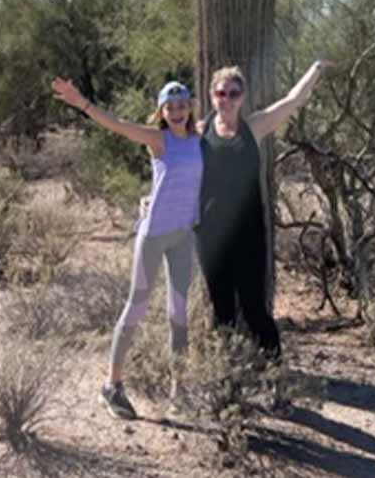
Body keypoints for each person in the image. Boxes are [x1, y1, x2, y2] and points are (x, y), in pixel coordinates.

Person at [50, 77, 201, 421]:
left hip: (182, 236)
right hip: (154, 235)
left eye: (182, 106)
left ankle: (182, 392)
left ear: (190, 107)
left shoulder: (199, 137)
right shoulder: (158, 139)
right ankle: (112, 386)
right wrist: (83, 103)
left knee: (179, 315)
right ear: (162, 111)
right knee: (137, 306)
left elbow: (230, 125)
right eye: (170, 106)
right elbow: (116, 125)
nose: (177, 112)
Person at [195, 60, 330, 358]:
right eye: (221, 93)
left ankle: (273, 371)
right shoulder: (200, 131)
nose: (226, 99)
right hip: (210, 235)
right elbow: (171, 160)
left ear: (242, 97)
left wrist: (315, 69)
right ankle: (227, 374)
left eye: (233, 93)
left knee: (255, 308)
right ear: (211, 95)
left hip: (248, 233)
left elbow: (292, 101)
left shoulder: (253, 127)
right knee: (221, 311)